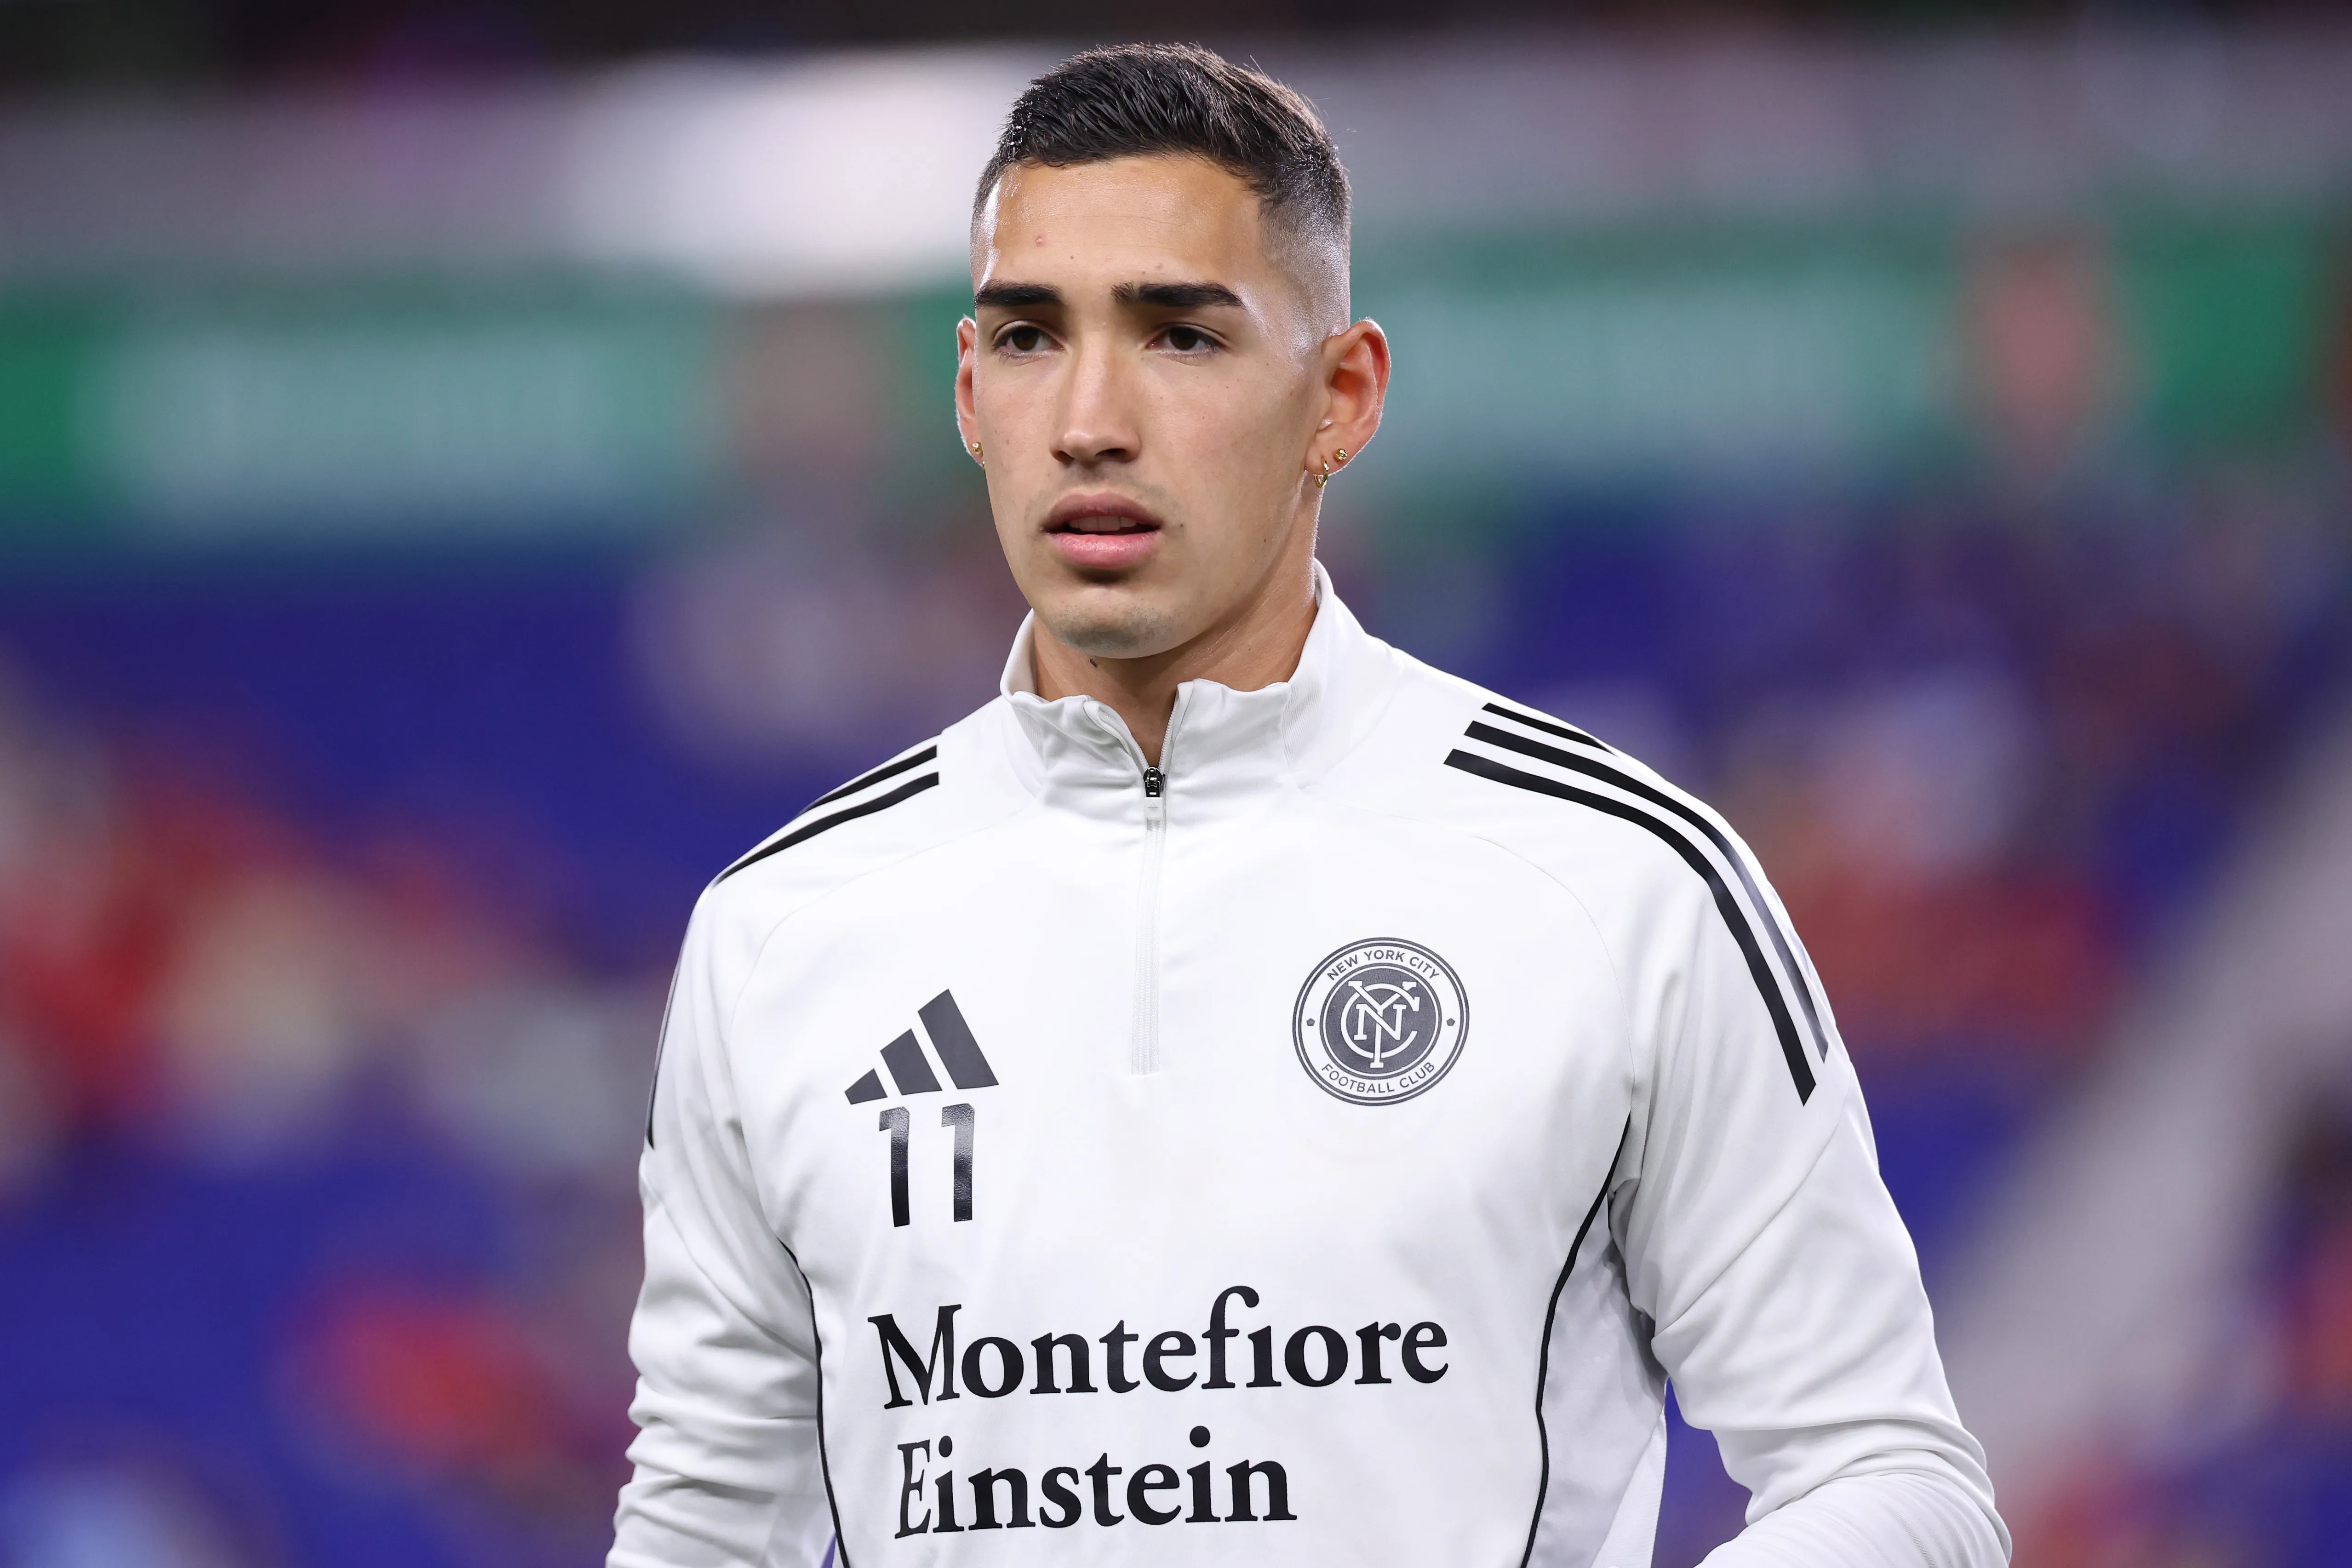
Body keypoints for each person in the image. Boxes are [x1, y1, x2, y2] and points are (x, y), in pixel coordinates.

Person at [610, 42, 2007, 1568]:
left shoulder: (1622, 885)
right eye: (1029, 337)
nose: (1089, 418)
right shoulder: (781, 935)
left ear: (1341, 397)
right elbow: (702, 1533)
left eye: (1180, 337)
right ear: (968, 396)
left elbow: (1891, 1476)